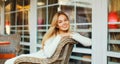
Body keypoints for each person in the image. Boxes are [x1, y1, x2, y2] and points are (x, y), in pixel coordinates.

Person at [5, 11, 92, 64]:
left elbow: (89, 42)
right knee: (10, 61)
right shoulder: (52, 35)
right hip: (38, 56)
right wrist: (59, 36)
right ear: (57, 25)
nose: (64, 23)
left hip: (45, 60)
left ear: (68, 21)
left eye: (65, 20)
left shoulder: (71, 34)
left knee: (9, 62)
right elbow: (47, 53)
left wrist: (71, 35)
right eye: (60, 22)